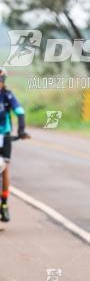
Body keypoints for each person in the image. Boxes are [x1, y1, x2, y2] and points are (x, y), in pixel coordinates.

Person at [0, 69, 30, 222]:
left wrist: (22, 130)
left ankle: (4, 204)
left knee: (4, 169)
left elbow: (19, 111)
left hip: (4, 136)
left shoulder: (7, 96)